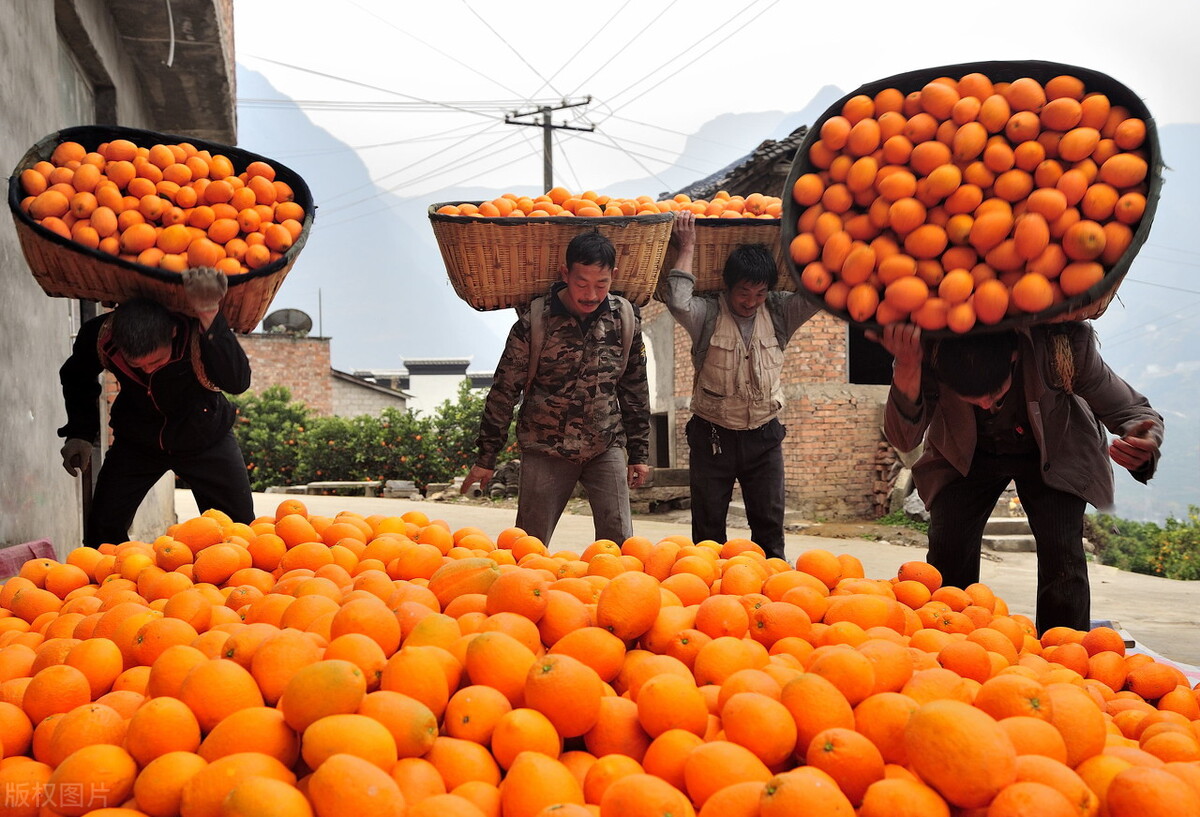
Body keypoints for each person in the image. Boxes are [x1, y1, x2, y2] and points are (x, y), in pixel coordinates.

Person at [876, 321, 1163, 633]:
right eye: (972, 400)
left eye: (994, 393)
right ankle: (947, 640)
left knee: (1063, 556)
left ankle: (1063, 652)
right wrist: (905, 368)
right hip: (965, 456)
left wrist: (1144, 441)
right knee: (949, 549)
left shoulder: (1062, 347)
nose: (986, 405)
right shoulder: (928, 356)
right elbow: (904, 439)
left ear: (1014, 357)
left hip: (1054, 451)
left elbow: (1130, 409)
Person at [460, 230, 651, 546]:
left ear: (613, 276)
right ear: (565, 274)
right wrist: (486, 457)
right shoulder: (534, 321)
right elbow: (504, 391)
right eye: (581, 283)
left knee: (620, 545)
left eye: (601, 284)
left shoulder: (625, 319)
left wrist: (639, 453)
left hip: (605, 445)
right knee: (528, 545)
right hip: (545, 448)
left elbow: (634, 389)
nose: (591, 294)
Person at [659, 210, 819, 560]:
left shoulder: (780, 314)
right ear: (727, 287)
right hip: (712, 437)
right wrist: (686, 246)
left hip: (763, 436)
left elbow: (818, 291)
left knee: (768, 527)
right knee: (708, 531)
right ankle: (710, 598)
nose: (750, 302)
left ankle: (772, 595)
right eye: (743, 293)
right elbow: (677, 300)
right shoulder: (707, 314)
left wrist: (807, 236)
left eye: (760, 294)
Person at [59, 267, 255, 547]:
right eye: (138, 366)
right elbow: (76, 377)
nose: (148, 370)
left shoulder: (197, 333)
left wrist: (210, 312)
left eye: (156, 362)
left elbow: (237, 382)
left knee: (240, 533)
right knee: (102, 531)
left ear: (173, 332)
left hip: (206, 439)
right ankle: (111, 586)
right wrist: (79, 433)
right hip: (138, 441)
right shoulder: (99, 336)